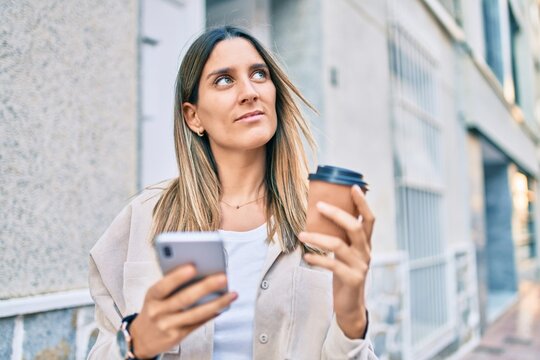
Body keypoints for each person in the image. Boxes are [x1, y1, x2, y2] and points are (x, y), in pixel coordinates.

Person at [88, 26, 378, 360]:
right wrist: (136, 344)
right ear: (193, 116)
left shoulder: (323, 218)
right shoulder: (141, 218)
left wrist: (353, 319)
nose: (250, 91)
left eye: (259, 74)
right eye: (224, 80)